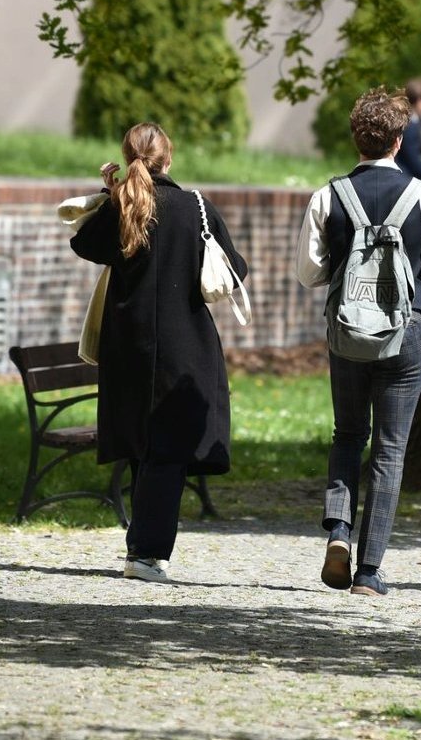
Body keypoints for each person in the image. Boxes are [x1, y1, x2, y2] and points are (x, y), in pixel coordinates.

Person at [296, 88, 421, 597]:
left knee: (347, 434)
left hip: (347, 333)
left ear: (356, 138)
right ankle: (369, 571)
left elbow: (309, 273)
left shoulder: (329, 195)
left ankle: (339, 532)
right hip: (403, 334)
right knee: (390, 449)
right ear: (398, 139)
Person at [71, 122, 248, 583]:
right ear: (168, 158)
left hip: (127, 345)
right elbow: (237, 269)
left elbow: (83, 244)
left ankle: (141, 548)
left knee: (141, 444)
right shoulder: (194, 207)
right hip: (183, 345)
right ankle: (146, 555)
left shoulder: (124, 207)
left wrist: (110, 195)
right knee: (168, 452)